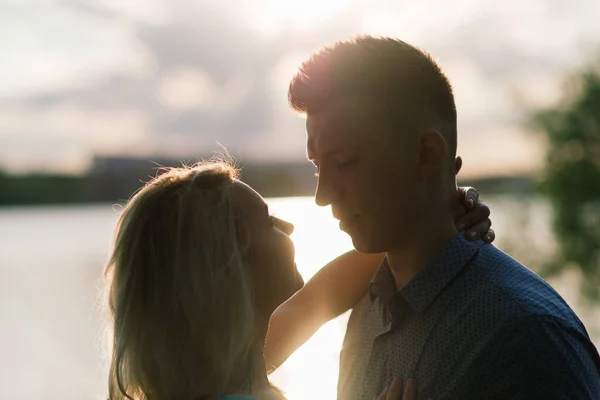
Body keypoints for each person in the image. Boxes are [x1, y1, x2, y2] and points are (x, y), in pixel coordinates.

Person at [285, 35, 600, 399]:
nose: (322, 196)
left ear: (426, 154)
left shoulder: (527, 338)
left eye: (344, 162)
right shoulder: (369, 307)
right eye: (317, 166)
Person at [104, 159, 493, 400]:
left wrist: (436, 218)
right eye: (268, 221)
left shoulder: (219, 373)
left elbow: (317, 299)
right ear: (230, 269)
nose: (288, 224)